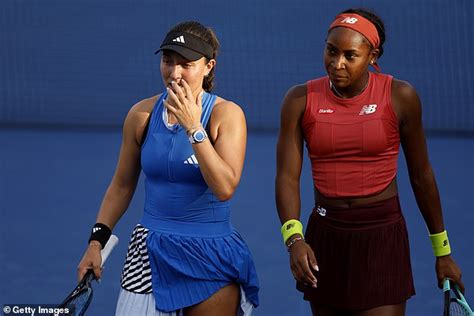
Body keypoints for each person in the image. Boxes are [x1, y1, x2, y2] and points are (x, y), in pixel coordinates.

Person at [275, 8, 464, 316]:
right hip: (325, 235)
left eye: (350, 55)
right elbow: (286, 177)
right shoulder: (298, 100)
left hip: (382, 236)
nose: (337, 64)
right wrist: (294, 239)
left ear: (373, 56)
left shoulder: (401, 97)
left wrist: (443, 253)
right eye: (331, 51)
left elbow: (422, 176)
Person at [77, 21, 259, 316]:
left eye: (186, 64)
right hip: (149, 251)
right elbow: (122, 185)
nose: (174, 73)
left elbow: (225, 187)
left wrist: (193, 127)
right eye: (167, 61)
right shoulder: (141, 115)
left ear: (208, 66)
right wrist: (96, 241)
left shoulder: (227, 115)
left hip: (210, 252)